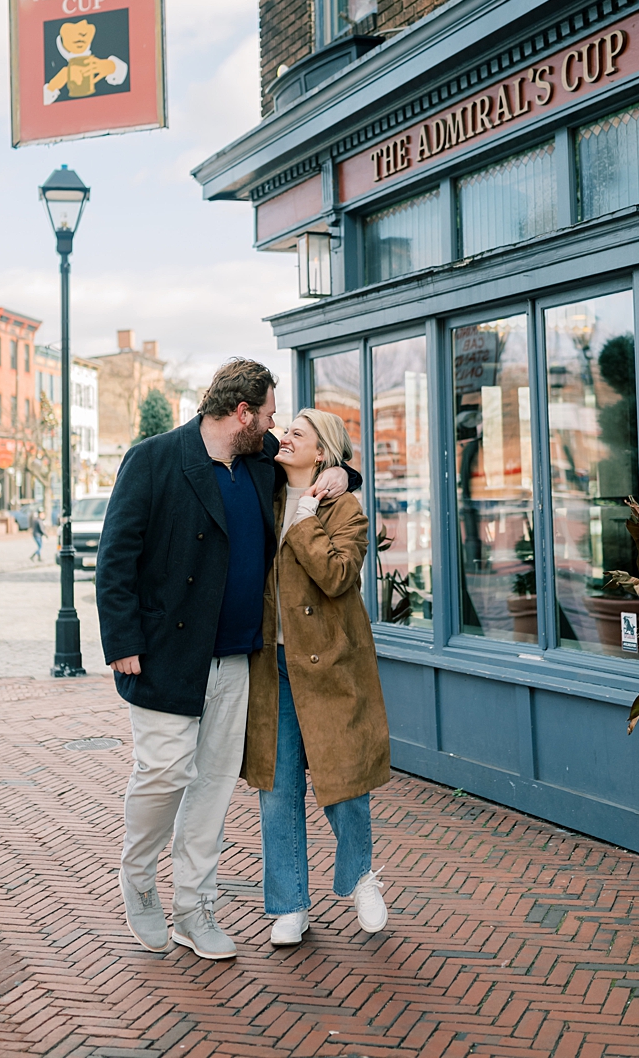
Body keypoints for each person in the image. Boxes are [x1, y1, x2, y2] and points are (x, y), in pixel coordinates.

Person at [96, 360, 353, 960]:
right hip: (164, 655)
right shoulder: (155, 458)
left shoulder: (260, 461)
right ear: (241, 413)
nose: (272, 427)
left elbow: (323, 468)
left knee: (212, 787)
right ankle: (137, 876)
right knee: (162, 775)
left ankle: (193, 905)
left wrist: (344, 475)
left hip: (239, 657)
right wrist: (123, 642)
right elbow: (116, 558)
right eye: (266, 414)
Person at [242, 408, 392, 946]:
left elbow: (336, 576)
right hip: (272, 668)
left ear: (321, 451)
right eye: (284, 430)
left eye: (296, 434)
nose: (283, 438)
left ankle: (360, 877)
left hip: (330, 665)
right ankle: (289, 904)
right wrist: (336, 473)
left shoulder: (345, 509)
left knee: (344, 783)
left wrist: (309, 511)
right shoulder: (265, 490)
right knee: (277, 790)